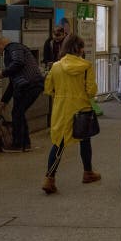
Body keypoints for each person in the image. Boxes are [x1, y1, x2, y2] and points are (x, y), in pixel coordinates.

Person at [41, 34, 100, 194]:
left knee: (59, 143)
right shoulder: (86, 66)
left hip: (61, 109)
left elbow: (48, 89)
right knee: (84, 139)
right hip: (81, 109)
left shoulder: (56, 66)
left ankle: (50, 178)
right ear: (80, 49)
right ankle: (87, 172)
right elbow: (91, 91)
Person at [0, 36, 45, 152]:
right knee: (19, 112)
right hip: (32, 85)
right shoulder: (19, 49)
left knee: (17, 112)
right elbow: (13, 82)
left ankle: (18, 144)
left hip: (29, 85)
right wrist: (4, 100)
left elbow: (18, 62)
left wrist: (3, 72)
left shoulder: (12, 47)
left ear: (2, 45)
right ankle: (25, 143)